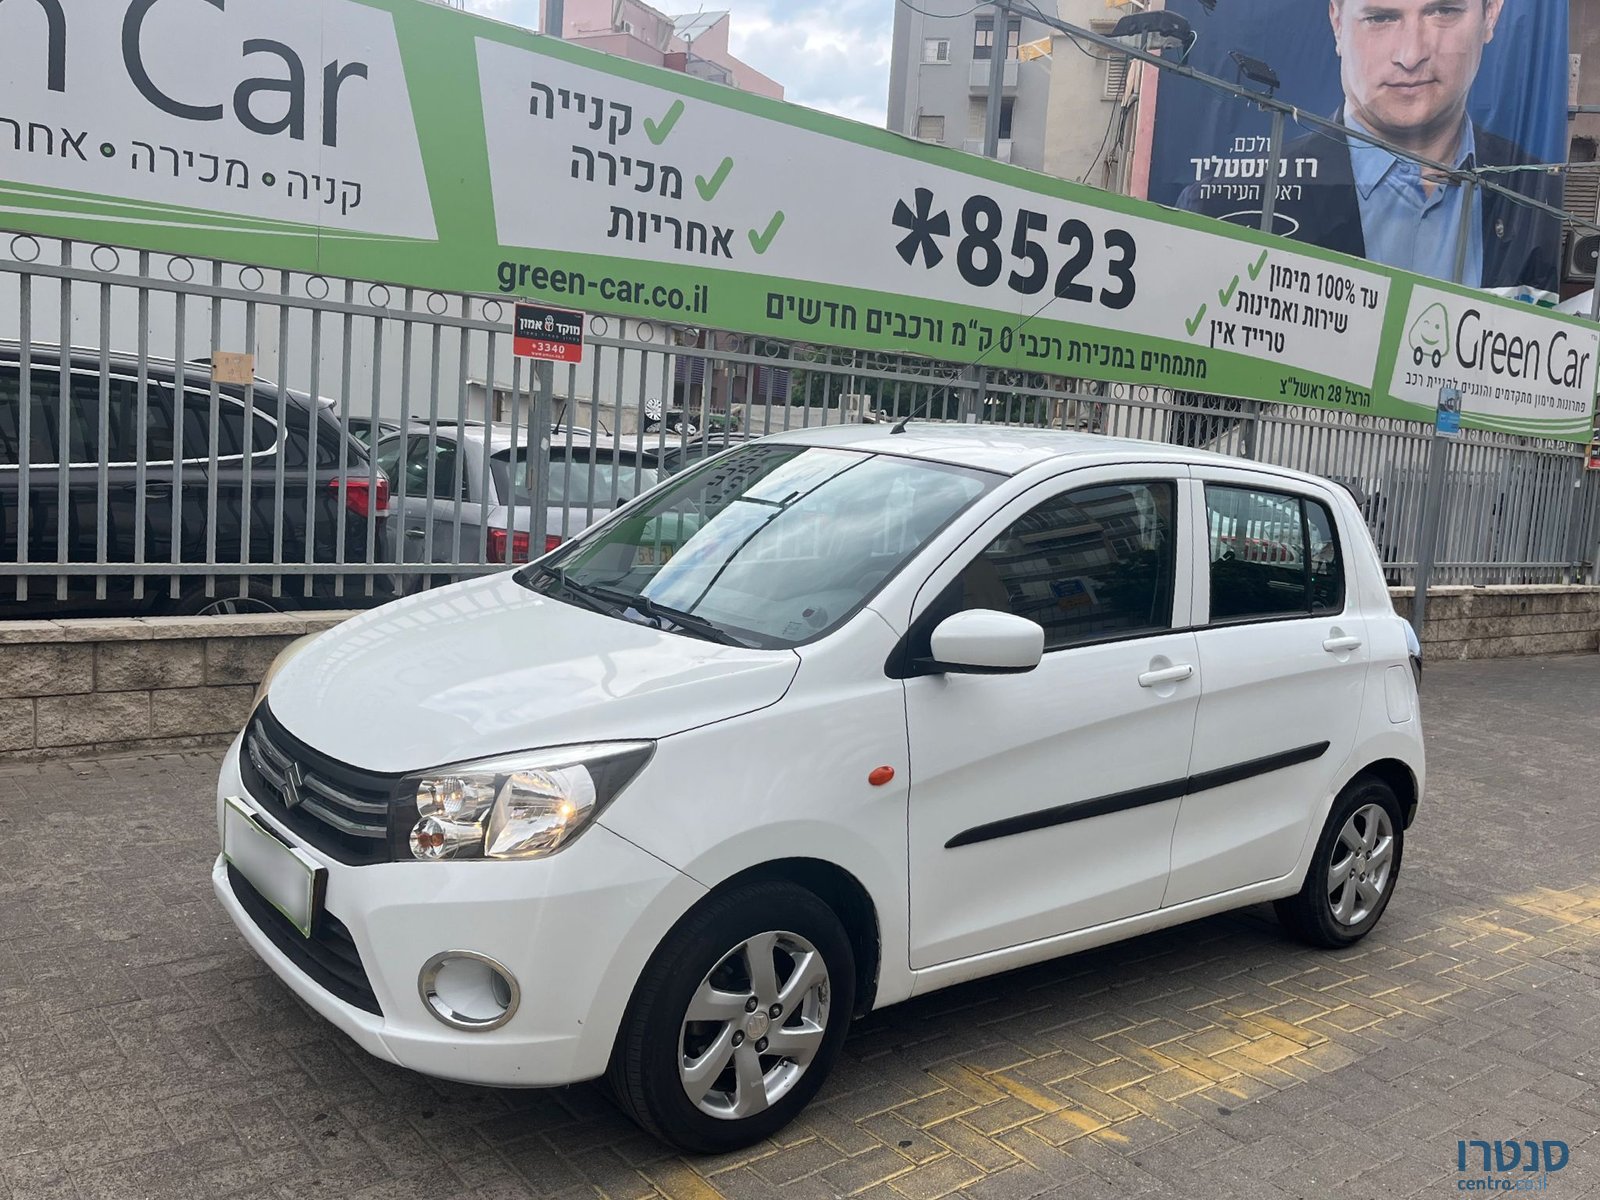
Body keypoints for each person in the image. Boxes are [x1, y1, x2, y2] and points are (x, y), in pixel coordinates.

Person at [1179, 0, 1560, 291]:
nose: (1410, 55)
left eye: (1442, 11)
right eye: (1380, 17)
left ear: (1490, 14)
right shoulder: (1227, 205)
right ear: (1337, 22)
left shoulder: (1534, 197)